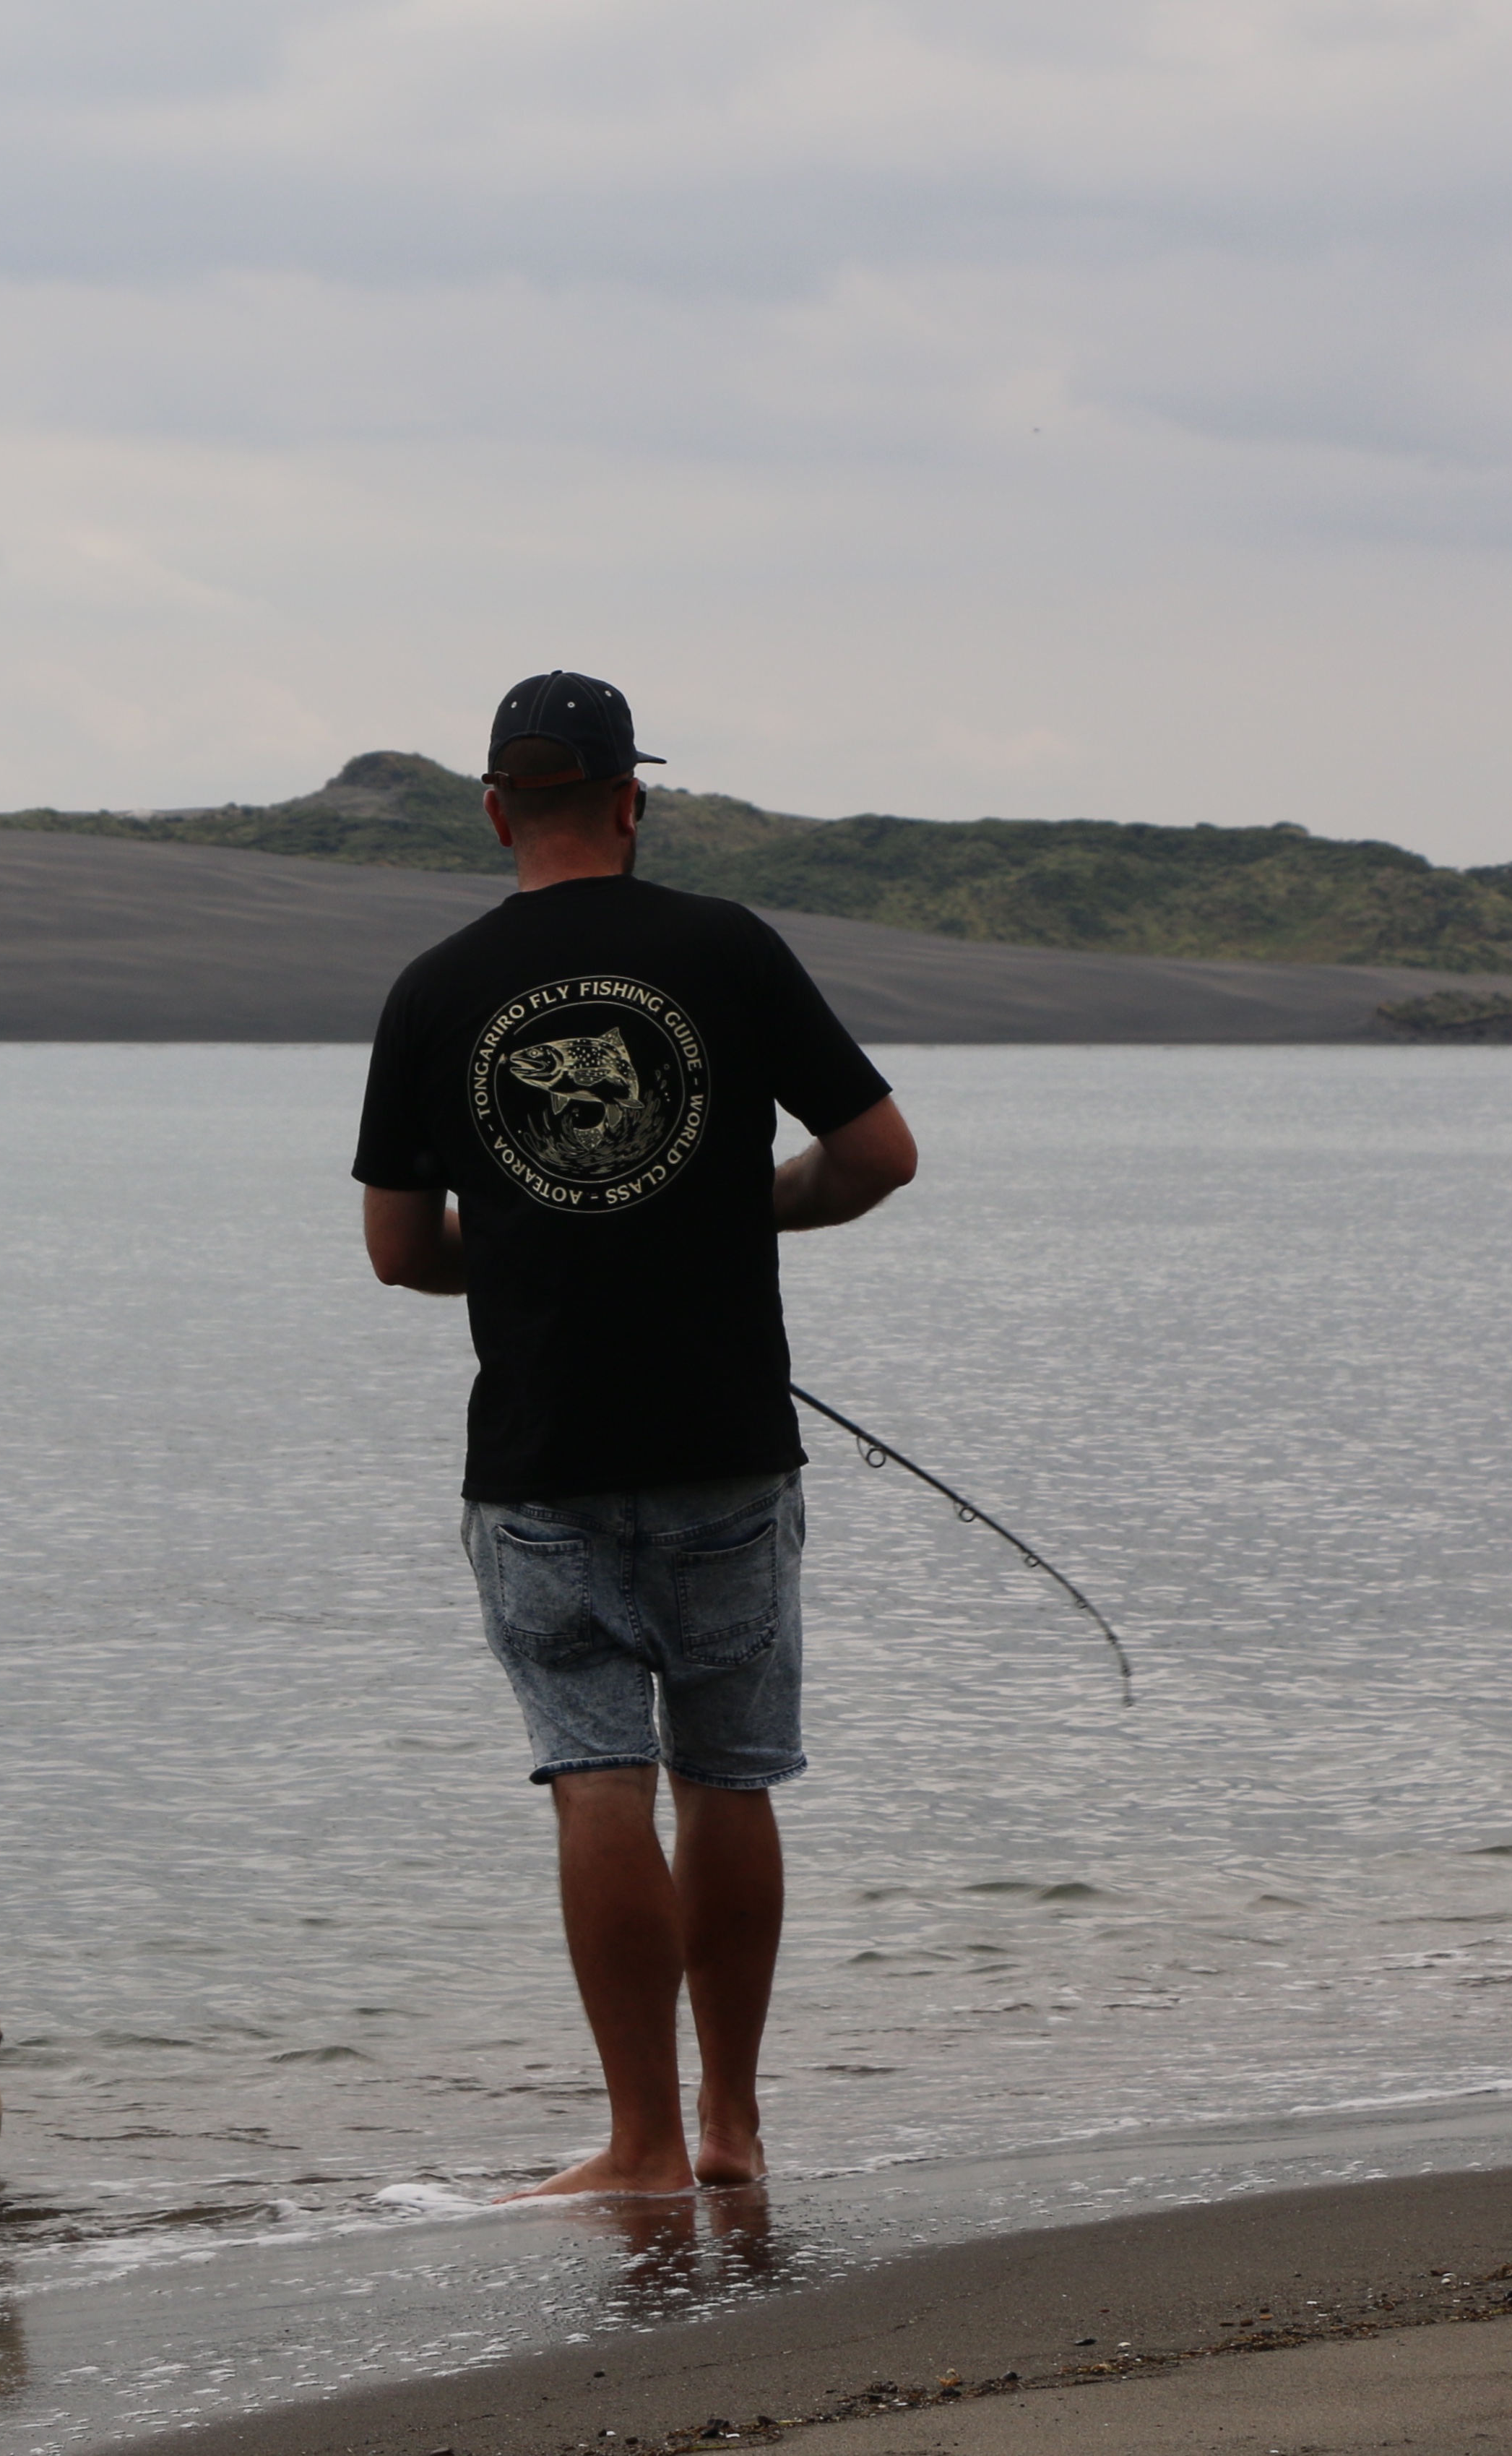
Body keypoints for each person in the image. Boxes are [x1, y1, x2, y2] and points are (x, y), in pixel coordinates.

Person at [353, 671, 917, 2199]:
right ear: (628, 800)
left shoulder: (434, 986)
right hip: (724, 1435)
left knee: (596, 1778)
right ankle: (731, 2128)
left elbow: (398, 1250)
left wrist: (523, 1243)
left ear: (495, 813)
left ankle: (642, 2145)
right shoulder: (725, 948)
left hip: (542, 1455)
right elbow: (878, 1155)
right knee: (727, 1778)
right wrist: (749, 1206)